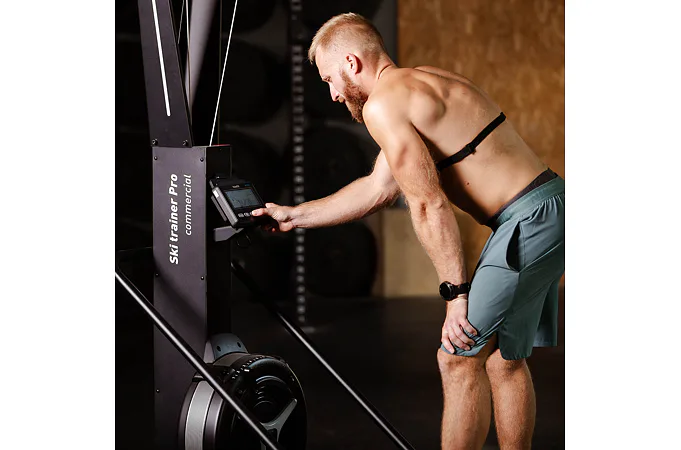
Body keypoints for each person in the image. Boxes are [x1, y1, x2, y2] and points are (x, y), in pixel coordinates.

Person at [251, 12, 564, 450]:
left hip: (527, 221)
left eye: (329, 79)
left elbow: (427, 202)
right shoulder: (419, 82)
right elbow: (379, 187)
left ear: (351, 62)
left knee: (457, 357)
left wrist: (456, 294)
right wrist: (294, 215)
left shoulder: (381, 105)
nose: (333, 94)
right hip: (550, 206)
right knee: (503, 360)